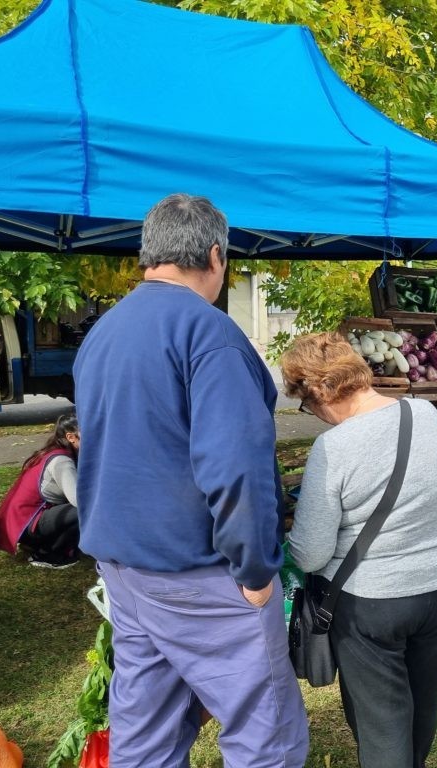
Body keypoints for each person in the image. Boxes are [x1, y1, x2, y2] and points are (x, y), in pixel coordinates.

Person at [73, 194, 308, 767]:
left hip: (124, 569)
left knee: (145, 730)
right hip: (198, 575)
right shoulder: (211, 335)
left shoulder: (102, 333)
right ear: (214, 255)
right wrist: (255, 571)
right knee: (265, 736)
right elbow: (237, 467)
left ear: (147, 254)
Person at [283, 333, 437, 768]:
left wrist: (290, 545)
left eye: (305, 404)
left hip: (374, 602)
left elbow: (311, 555)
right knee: (422, 699)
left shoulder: (334, 447)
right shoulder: (426, 414)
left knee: (381, 720)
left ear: (317, 393)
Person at [0, 413, 82, 568]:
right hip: (28, 524)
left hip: (25, 524)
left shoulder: (55, 451)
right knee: (85, 511)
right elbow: (79, 501)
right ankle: (49, 554)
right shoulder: (61, 461)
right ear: (71, 437)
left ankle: (41, 544)